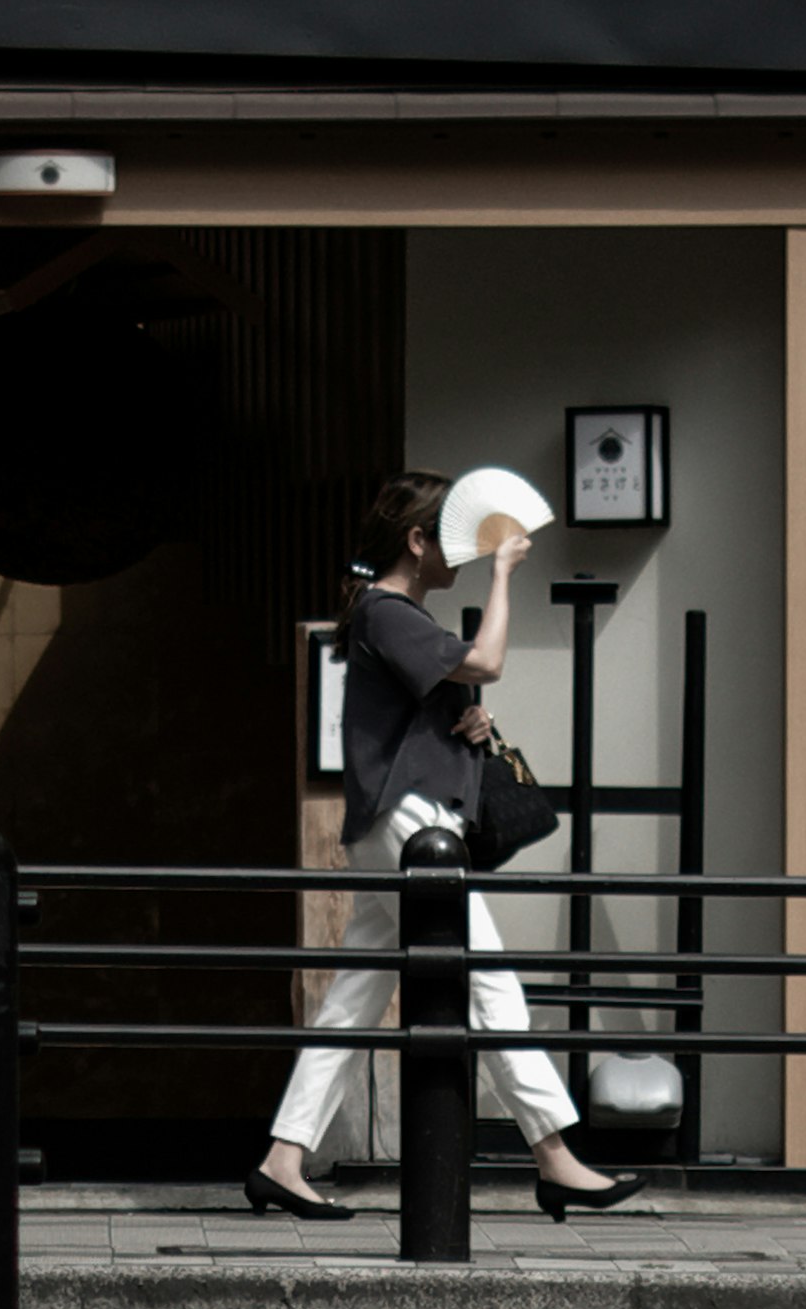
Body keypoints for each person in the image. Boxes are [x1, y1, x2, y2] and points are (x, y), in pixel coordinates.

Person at [248, 471, 642, 1222]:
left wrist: (470, 723)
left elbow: (443, 699)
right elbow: (486, 659)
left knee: (354, 1002)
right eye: (452, 538)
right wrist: (501, 573)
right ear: (417, 541)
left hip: (402, 821)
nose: (463, 552)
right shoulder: (387, 611)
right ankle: (555, 1156)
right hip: (408, 824)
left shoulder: (395, 618)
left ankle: (282, 1157)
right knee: (489, 985)